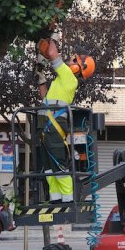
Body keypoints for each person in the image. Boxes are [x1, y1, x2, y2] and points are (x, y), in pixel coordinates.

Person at [36, 37, 95, 204]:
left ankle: (68, 198)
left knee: (59, 163)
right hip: (46, 124)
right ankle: (55, 197)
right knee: (48, 166)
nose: (69, 59)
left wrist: (52, 37)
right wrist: (41, 80)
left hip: (53, 125)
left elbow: (53, 53)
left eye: (73, 59)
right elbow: (46, 98)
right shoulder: (63, 80)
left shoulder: (70, 77)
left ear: (78, 67)